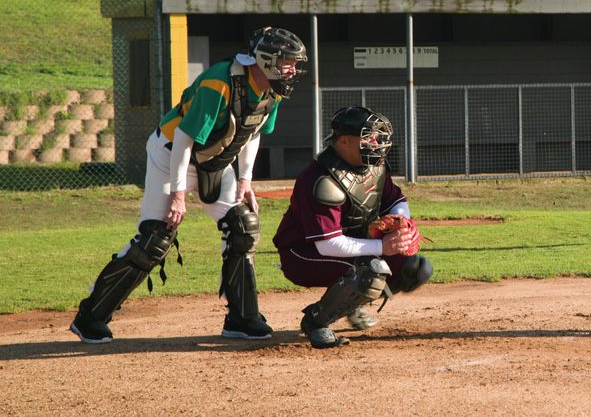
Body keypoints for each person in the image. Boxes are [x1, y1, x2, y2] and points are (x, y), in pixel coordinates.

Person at [70, 27, 308, 344]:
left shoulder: (273, 91)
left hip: (214, 160)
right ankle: (91, 317)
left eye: (294, 62)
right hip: (171, 155)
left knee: (242, 226)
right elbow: (184, 138)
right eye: (287, 61)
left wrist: (245, 178)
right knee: (156, 237)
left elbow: (252, 131)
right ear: (265, 60)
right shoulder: (220, 82)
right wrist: (178, 194)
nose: (292, 69)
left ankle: (242, 318)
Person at [272, 106, 433, 349]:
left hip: (346, 246)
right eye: (369, 137)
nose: (376, 143)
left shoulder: (373, 166)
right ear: (345, 141)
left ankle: (351, 303)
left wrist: (402, 222)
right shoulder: (321, 179)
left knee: (416, 268)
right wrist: (383, 246)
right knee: (371, 272)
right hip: (303, 254)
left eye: (378, 137)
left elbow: (396, 200)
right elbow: (328, 244)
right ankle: (316, 320)